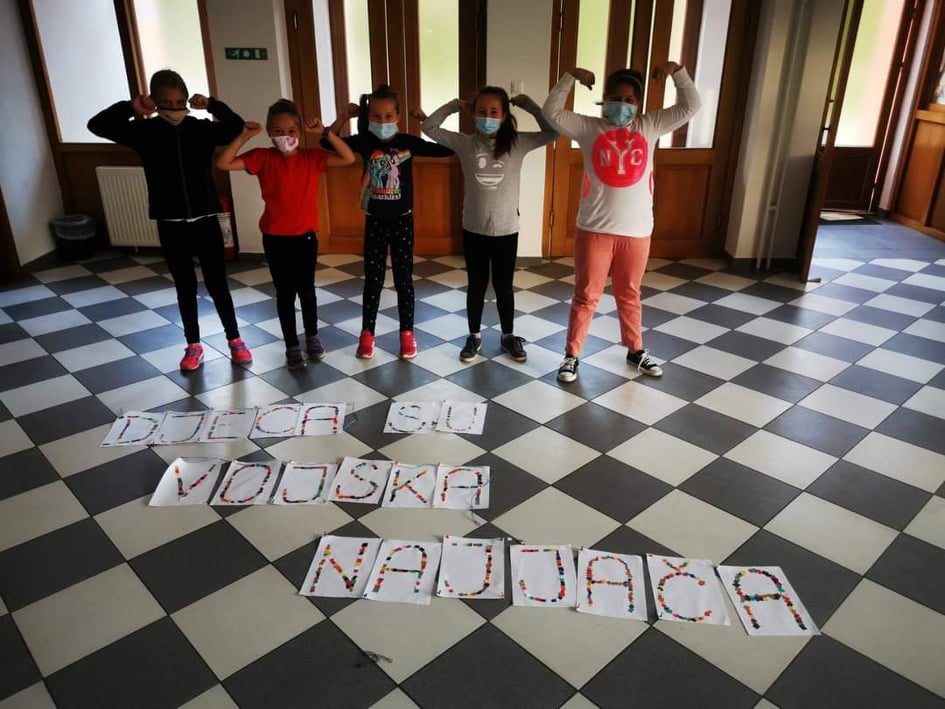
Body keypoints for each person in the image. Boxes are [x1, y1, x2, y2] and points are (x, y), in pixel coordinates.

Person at [542, 62, 700, 383]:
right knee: (586, 296)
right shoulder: (589, 128)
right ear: (604, 99)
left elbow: (690, 106)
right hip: (594, 230)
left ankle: (635, 350)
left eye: (629, 100)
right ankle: (571, 356)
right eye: (615, 98)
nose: (622, 104)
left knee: (630, 294)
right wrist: (570, 77)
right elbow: (551, 113)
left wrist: (678, 73)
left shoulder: (650, 125)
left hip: (637, 232)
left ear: (638, 104)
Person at [88, 70, 252, 371]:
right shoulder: (144, 131)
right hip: (170, 221)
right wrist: (131, 108)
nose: (174, 108)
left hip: (206, 218)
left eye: (179, 102)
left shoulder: (201, 129)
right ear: (154, 102)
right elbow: (97, 125)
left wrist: (212, 104)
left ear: (187, 100)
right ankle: (193, 344)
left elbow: (235, 127)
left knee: (217, 282)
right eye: (166, 102)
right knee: (185, 285)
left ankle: (235, 339)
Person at [419, 87, 557, 363]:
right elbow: (429, 127)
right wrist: (454, 105)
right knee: (476, 285)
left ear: (504, 116)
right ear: (473, 115)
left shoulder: (517, 143)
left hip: (506, 230)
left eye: (494, 112)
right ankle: (474, 336)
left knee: (504, 287)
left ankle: (508, 336)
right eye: (481, 111)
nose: (487, 117)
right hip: (474, 229)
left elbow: (552, 132)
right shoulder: (465, 144)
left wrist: (530, 105)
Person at [216, 99, 355, 369]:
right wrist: (243, 136)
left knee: (307, 291)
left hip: (305, 238)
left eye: (291, 131)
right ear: (269, 132)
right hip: (275, 238)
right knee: (285, 294)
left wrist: (325, 132)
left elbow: (348, 158)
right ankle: (291, 344)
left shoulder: (311, 158)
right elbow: (223, 163)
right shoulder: (262, 157)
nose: (285, 136)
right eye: (278, 131)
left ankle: (312, 336)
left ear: (300, 133)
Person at [324, 85, 453, 360]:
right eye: (376, 116)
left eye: (388, 116)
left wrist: (425, 121)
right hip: (375, 222)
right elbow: (327, 142)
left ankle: (407, 333)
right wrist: (343, 117)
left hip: (403, 222)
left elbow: (446, 149)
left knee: (404, 280)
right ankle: (367, 334)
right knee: (373, 280)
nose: (382, 121)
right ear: (369, 116)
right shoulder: (365, 141)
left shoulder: (408, 142)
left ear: (398, 117)